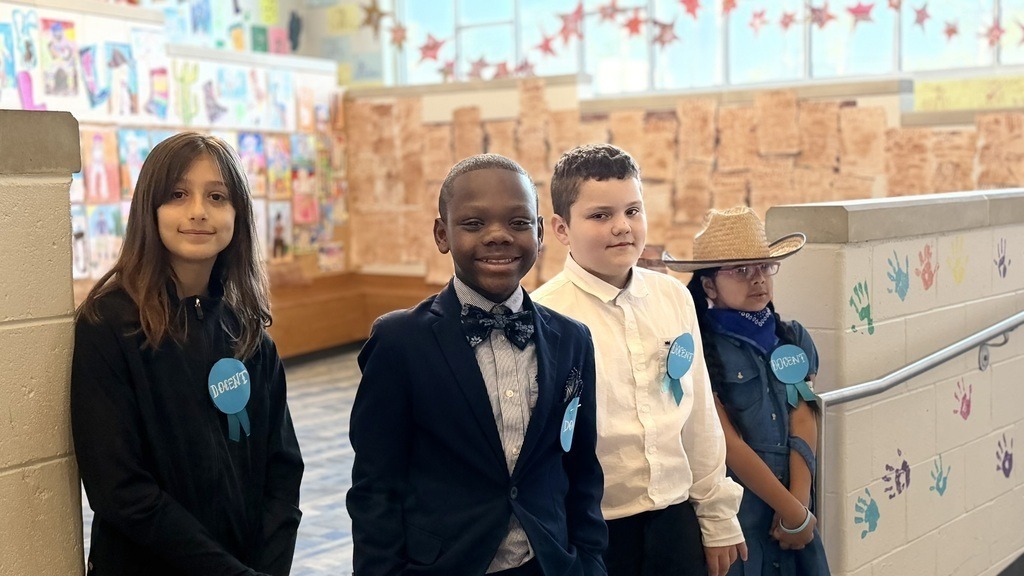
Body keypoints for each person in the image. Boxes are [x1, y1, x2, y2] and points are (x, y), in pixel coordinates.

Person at [347, 153, 608, 575]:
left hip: (548, 562)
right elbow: (375, 486)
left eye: (519, 223)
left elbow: (581, 469)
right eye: (473, 224)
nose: (498, 236)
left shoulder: (573, 339)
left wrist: (590, 561)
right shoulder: (400, 342)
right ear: (441, 233)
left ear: (540, 233)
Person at [71, 132, 304, 576]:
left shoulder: (249, 331)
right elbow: (120, 490)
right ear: (149, 209)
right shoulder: (108, 325)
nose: (198, 210)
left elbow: (283, 470)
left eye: (217, 196)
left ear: (238, 214)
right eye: (178, 194)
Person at [531, 144, 747, 576]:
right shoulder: (543, 316)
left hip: (674, 516)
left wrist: (717, 513)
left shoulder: (671, 297)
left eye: (633, 210)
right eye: (600, 215)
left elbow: (698, 414)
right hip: (592, 529)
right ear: (560, 228)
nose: (621, 227)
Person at [668, 206, 831, 576]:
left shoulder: (792, 335)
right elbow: (726, 441)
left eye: (763, 267)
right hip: (741, 518)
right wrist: (788, 509)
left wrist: (800, 507)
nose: (757, 279)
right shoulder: (699, 346)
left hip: (795, 515)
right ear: (709, 285)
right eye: (740, 270)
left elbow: (804, 417)